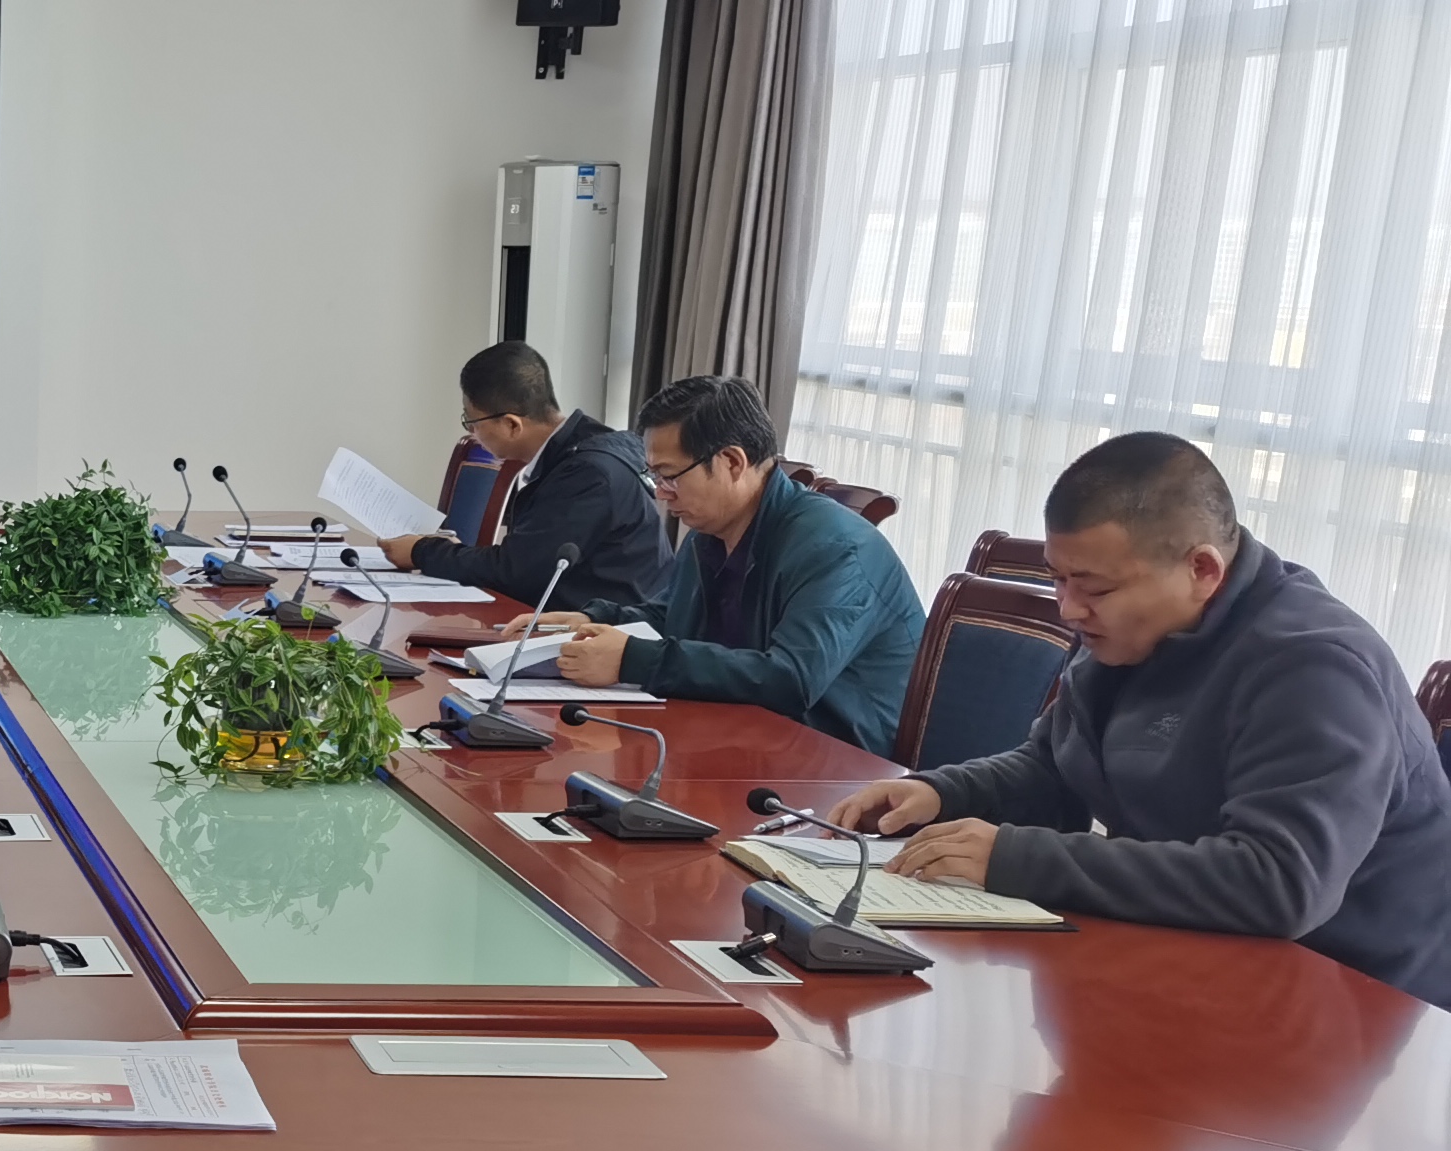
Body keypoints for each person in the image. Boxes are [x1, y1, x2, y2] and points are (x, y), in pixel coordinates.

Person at [830, 433, 1451, 1008]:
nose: (1069, 609)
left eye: (1095, 589)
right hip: (1194, 955)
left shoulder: (1313, 667)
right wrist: (941, 792)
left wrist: (1016, 858)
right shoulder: (1133, 631)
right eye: (1058, 579)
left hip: (1349, 1000)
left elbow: (1278, 884)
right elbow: (1057, 767)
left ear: (1202, 570)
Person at [521, 374, 922, 751]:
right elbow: (672, 617)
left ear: (732, 462)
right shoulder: (712, 531)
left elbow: (791, 679)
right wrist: (594, 621)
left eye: (670, 476)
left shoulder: (836, 547)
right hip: (743, 734)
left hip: (837, 761)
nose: (661, 494)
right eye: (655, 476)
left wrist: (633, 659)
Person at [383, 342, 669, 609]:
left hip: (604, 630)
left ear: (511, 425)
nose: (472, 432)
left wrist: (422, 552)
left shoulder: (587, 474)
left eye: (472, 422)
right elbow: (525, 560)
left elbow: (514, 573)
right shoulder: (591, 445)